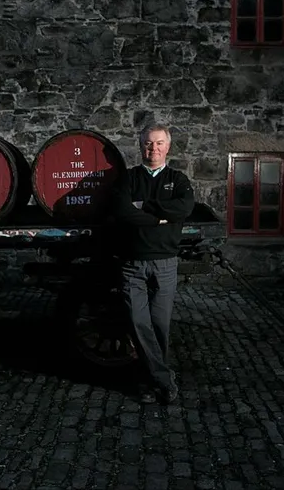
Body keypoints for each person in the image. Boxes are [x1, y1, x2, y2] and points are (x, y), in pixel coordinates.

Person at [109, 123, 195, 404]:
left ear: (168, 147)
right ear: (141, 146)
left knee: (159, 325)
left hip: (165, 263)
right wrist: (161, 217)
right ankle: (164, 380)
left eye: (159, 143)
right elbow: (122, 213)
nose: (153, 149)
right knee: (138, 322)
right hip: (132, 263)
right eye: (148, 143)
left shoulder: (178, 179)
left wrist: (143, 206)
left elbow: (184, 209)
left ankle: (148, 382)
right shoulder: (129, 178)